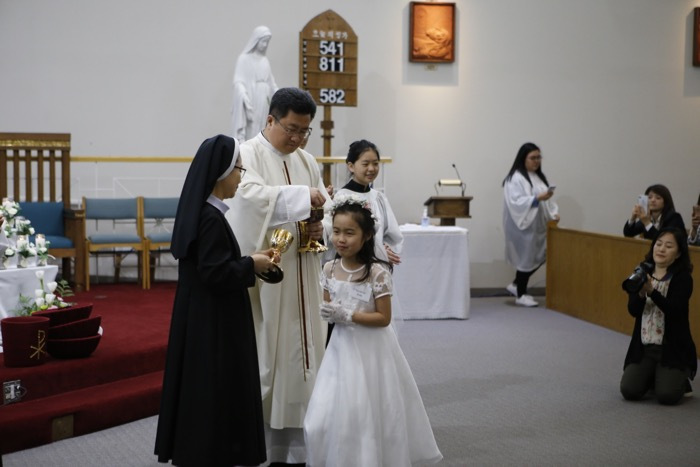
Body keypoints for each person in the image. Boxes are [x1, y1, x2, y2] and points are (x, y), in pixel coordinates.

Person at [154, 135, 278, 466]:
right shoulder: (209, 218)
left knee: (206, 386)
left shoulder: (206, 213)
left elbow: (212, 266)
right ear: (221, 172)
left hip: (203, 314)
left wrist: (250, 260)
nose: (240, 177)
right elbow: (215, 273)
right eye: (239, 170)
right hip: (214, 321)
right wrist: (252, 263)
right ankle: (212, 452)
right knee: (215, 385)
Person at [227, 87, 329, 464]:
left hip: (304, 272)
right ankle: (266, 449)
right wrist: (303, 197)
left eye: (305, 131)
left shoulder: (308, 161)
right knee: (270, 355)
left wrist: (320, 228)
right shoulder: (247, 154)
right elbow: (247, 199)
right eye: (292, 129)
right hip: (269, 282)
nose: (298, 138)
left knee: (306, 359)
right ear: (270, 119)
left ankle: (302, 449)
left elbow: (324, 210)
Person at [304, 194, 443, 466]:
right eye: (337, 232)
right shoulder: (329, 268)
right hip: (340, 348)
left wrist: (348, 315)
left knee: (367, 406)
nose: (341, 239)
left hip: (371, 349)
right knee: (327, 410)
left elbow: (384, 318)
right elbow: (329, 304)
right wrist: (328, 312)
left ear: (367, 235)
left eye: (349, 233)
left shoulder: (376, 273)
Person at [620, 227, 697, 405]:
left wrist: (652, 292)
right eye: (658, 244)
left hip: (672, 347)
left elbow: (674, 311)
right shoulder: (641, 272)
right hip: (645, 346)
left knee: (667, 396)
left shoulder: (682, 278)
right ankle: (654, 375)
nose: (661, 249)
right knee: (629, 390)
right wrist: (641, 294)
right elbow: (633, 311)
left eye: (668, 246)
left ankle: (680, 378)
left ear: (678, 254)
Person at [323, 139, 403, 265]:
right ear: (351, 166)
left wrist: (386, 249)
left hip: (377, 266)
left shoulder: (378, 198)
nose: (371, 168)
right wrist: (378, 252)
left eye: (375, 164)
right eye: (365, 164)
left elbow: (392, 235)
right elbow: (336, 238)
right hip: (350, 265)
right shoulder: (342, 198)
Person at [502, 142, 559, 307]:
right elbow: (516, 202)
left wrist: (553, 212)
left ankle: (516, 284)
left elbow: (546, 199)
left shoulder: (538, 177)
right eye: (533, 158)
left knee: (541, 255)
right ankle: (521, 294)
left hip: (538, 225)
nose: (537, 161)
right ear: (523, 158)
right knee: (526, 259)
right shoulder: (515, 178)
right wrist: (536, 198)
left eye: (539, 157)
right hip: (523, 227)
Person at [231, 26, 278, 141]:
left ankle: (259, 147)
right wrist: (243, 95)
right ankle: (247, 147)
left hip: (264, 98)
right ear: (256, 40)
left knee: (262, 124)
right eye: (263, 41)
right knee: (251, 125)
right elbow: (238, 81)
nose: (265, 45)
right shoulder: (244, 59)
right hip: (252, 96)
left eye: (267, 42)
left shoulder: (265, 61)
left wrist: (281, 95)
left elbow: (271, 83)